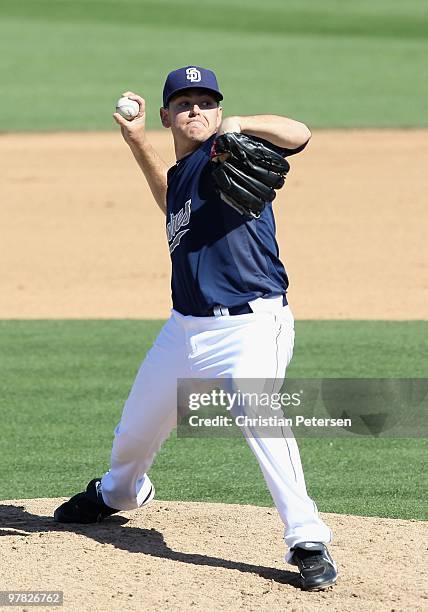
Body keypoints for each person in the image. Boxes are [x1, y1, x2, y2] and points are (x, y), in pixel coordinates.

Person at [54, 66, 338, 591]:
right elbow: (169, 199)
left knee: (259, 414)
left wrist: (242, 124)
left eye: (206, 101)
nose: (196, 110)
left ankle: (307, 537)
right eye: (184, 102)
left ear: (218, 108)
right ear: (167, 116)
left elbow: (300, 135)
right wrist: (136, 141)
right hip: (184, 330)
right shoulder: (184, 171)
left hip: (252, 323)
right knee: (133, 433)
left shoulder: (226, 150)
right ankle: (118, 494)